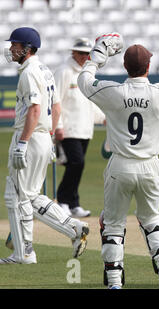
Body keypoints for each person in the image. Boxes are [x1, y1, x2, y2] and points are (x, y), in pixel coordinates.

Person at [77, 28, 159, 289]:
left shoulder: (113, 92)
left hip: (120, 165)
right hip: (149, 166)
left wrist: (98, 55)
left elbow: (84, 81)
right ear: (149, 66)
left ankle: (114, 282)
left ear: (124, 65)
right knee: (151, 218)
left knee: (112, 224)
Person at [1, 27, 89, 265]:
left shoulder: (30, 72)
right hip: (41, 138)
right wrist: (48, 137)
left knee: (17, 197)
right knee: (30, 196)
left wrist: (22, 143)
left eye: (15, 45)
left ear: (27, 49)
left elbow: (35, 109)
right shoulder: (45, 70)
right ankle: (73, 228)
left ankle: (25, 253)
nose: (11, 49)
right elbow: (56, 108)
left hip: (29, 138)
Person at [53, 38, 106, 218]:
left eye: (87, 53)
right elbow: (55, 100)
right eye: (81, 53)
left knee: (77, 166)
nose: (84, 56)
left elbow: (90, 102)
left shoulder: (87, 74)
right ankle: (62, 200)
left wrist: (103, 118)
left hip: (84, 128)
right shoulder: (64, 71)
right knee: (76, 163)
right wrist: (57, 126)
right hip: (68, 128)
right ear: (73, 53)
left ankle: (73, 203)